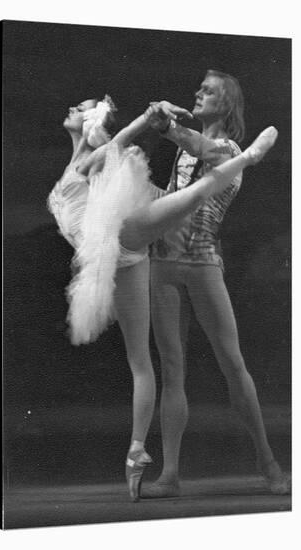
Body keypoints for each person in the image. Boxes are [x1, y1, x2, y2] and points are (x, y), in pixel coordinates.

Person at [47, 93, 278, 501]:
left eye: (80, 108)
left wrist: (152, 117)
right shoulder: (82, 161)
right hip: (118, 259)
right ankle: (141, 456)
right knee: (144, 361)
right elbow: (89, 167)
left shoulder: (97, 156)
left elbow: (109, 152)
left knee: (191, 197)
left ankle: (249, 158)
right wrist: (147, 117)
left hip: (129, 236)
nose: (73, 110)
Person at [141, 70, 289, 498]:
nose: (197, 94)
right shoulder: (185, 151)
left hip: (203, 264)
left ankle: (268, 462)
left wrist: (167, 125)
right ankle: (169, 475)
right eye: (198, 89)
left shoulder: (228, 149)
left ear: (226, 104)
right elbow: (173, 196)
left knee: (232, 363)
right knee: (172, 369)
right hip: (164, 263)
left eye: (207, 91)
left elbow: (201, 147)